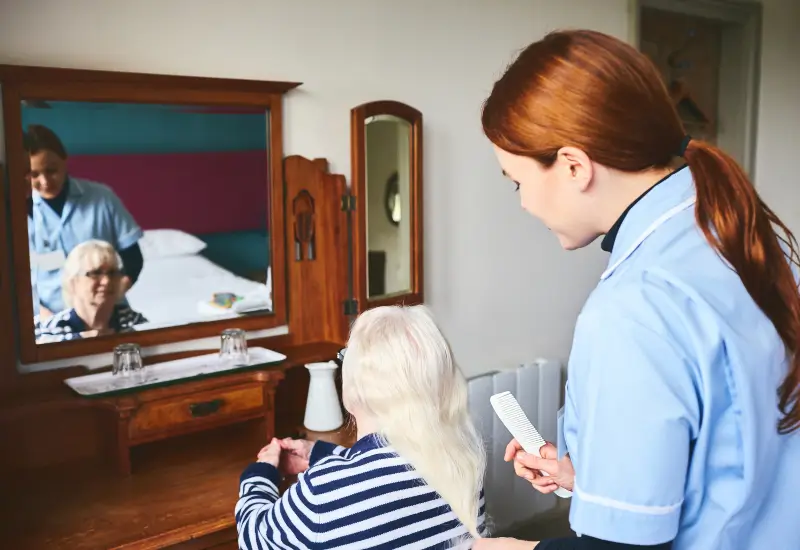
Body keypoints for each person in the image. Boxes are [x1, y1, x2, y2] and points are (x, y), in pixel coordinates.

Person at [474, 29, 800, 550]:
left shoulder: (632, 310)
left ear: (574, 166)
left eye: (517, 182)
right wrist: (595, 480)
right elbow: (737, 457)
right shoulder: (751, 240)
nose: (523, 204)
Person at [235, 305, 487, 549]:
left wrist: (261, 473)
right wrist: (318, 453)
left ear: (354, 388)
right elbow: (390, 465)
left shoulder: (323, 493)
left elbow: (253, 537)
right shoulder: (463, 461)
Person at [25, 124, 144, 317]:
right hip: (50, 316)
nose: (45, 182)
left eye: (52, 170)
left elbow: (133, 259)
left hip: (108, 312)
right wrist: (44, 316)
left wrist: (110, 298)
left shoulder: (102, 198)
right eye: (34, 175)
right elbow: (18, 279)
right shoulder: (18, 211)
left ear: (65, 160)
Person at [35, 240, 147, 342]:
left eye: (112, 273)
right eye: (95, 273)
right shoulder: (52, 332)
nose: (106, 281)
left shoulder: (133, 321)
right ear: (73, 282)